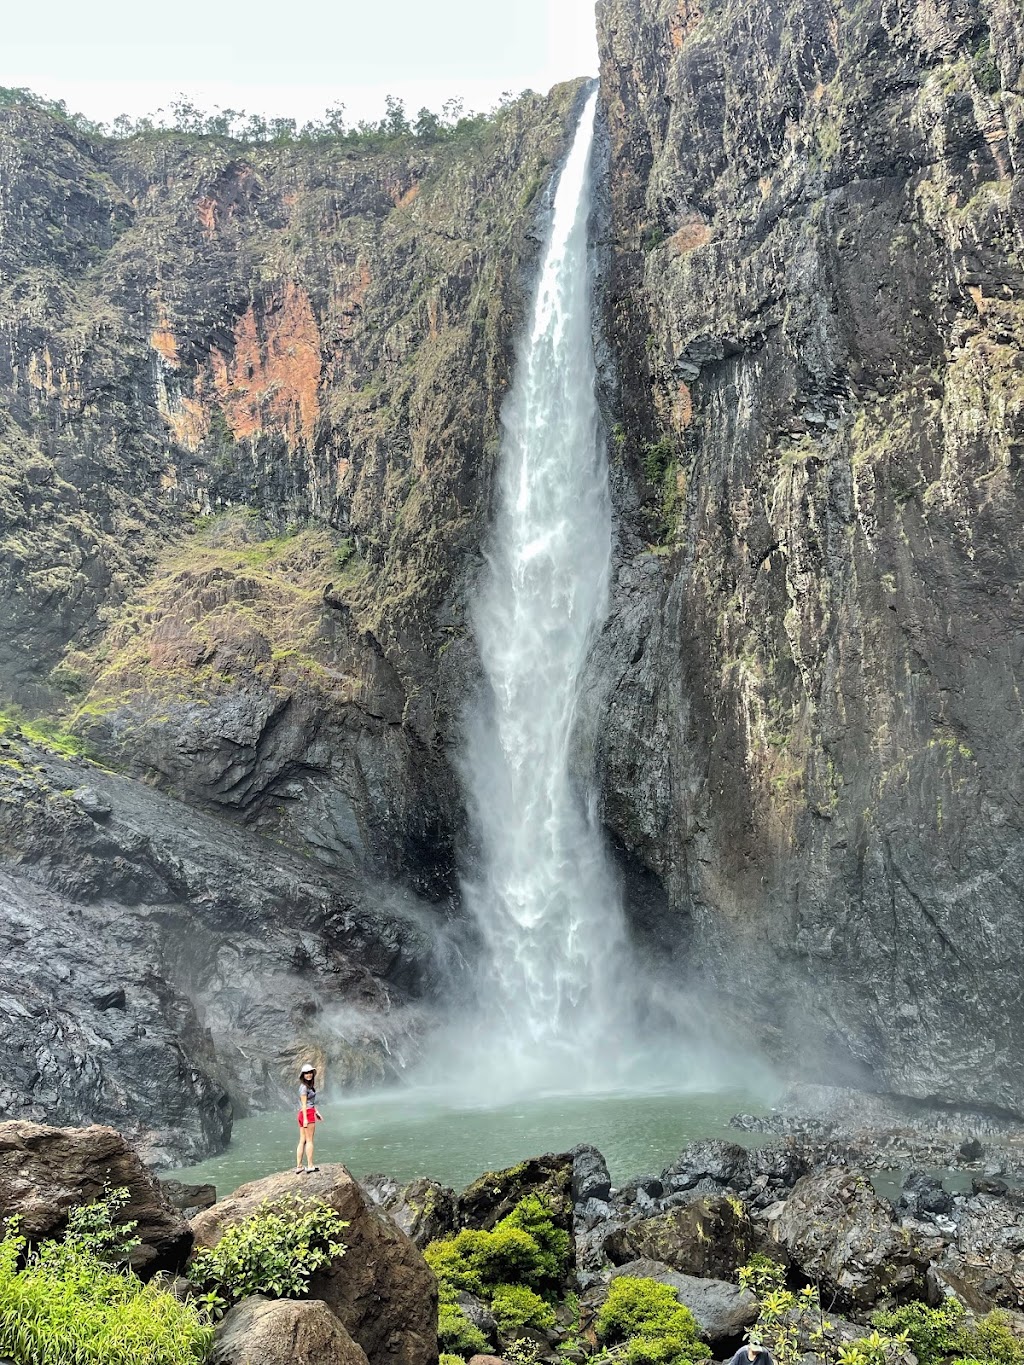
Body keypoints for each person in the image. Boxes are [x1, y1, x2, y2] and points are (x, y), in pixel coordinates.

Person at [295, 1063, 322, 1174]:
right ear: (303, 1075)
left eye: (310, 1072)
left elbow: (310, 1103)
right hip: (306, 1114)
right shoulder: (304, 1088)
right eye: (306, 1073)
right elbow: (304, 1104)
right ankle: (310, 1165)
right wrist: (306, 1119)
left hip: (305, 1113)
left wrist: (317, 1112)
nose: (309, 1075)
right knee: (309, 1140)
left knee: (302, 1140)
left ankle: (299, 1166)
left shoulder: (308, 1086)